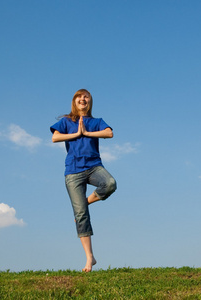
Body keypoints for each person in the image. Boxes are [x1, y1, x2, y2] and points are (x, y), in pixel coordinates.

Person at [50, 89, 117, 272]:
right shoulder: (66, 121)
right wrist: (77, 134)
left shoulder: (96, 122)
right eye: (79, 97)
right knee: (81, 216)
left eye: (86, 96)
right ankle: (90, 258)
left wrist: (87, 133)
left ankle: (84, 204)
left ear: (90, 101)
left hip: (94, 167)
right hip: (73, 171)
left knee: (110, 183)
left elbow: (109, 133)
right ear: (74, 101)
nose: (83, 99)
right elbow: (55, 137)